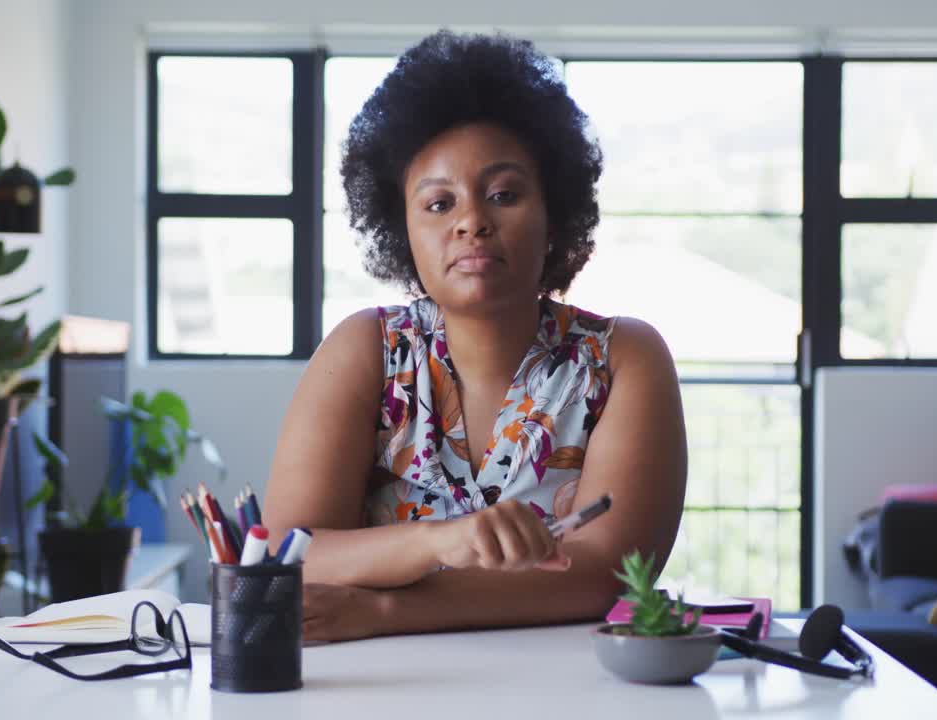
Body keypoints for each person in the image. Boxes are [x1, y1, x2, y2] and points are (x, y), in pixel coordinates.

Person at [263, 30, 687, 643]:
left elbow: (607, 574)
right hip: (374, 690)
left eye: (503, 195)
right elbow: (289, 553)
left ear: (553, 214)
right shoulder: (365, 350)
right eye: (438, 204)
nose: (472, 222)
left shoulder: (623, 359)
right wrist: (443, 540)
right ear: (399, 226)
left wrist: (388, 609)